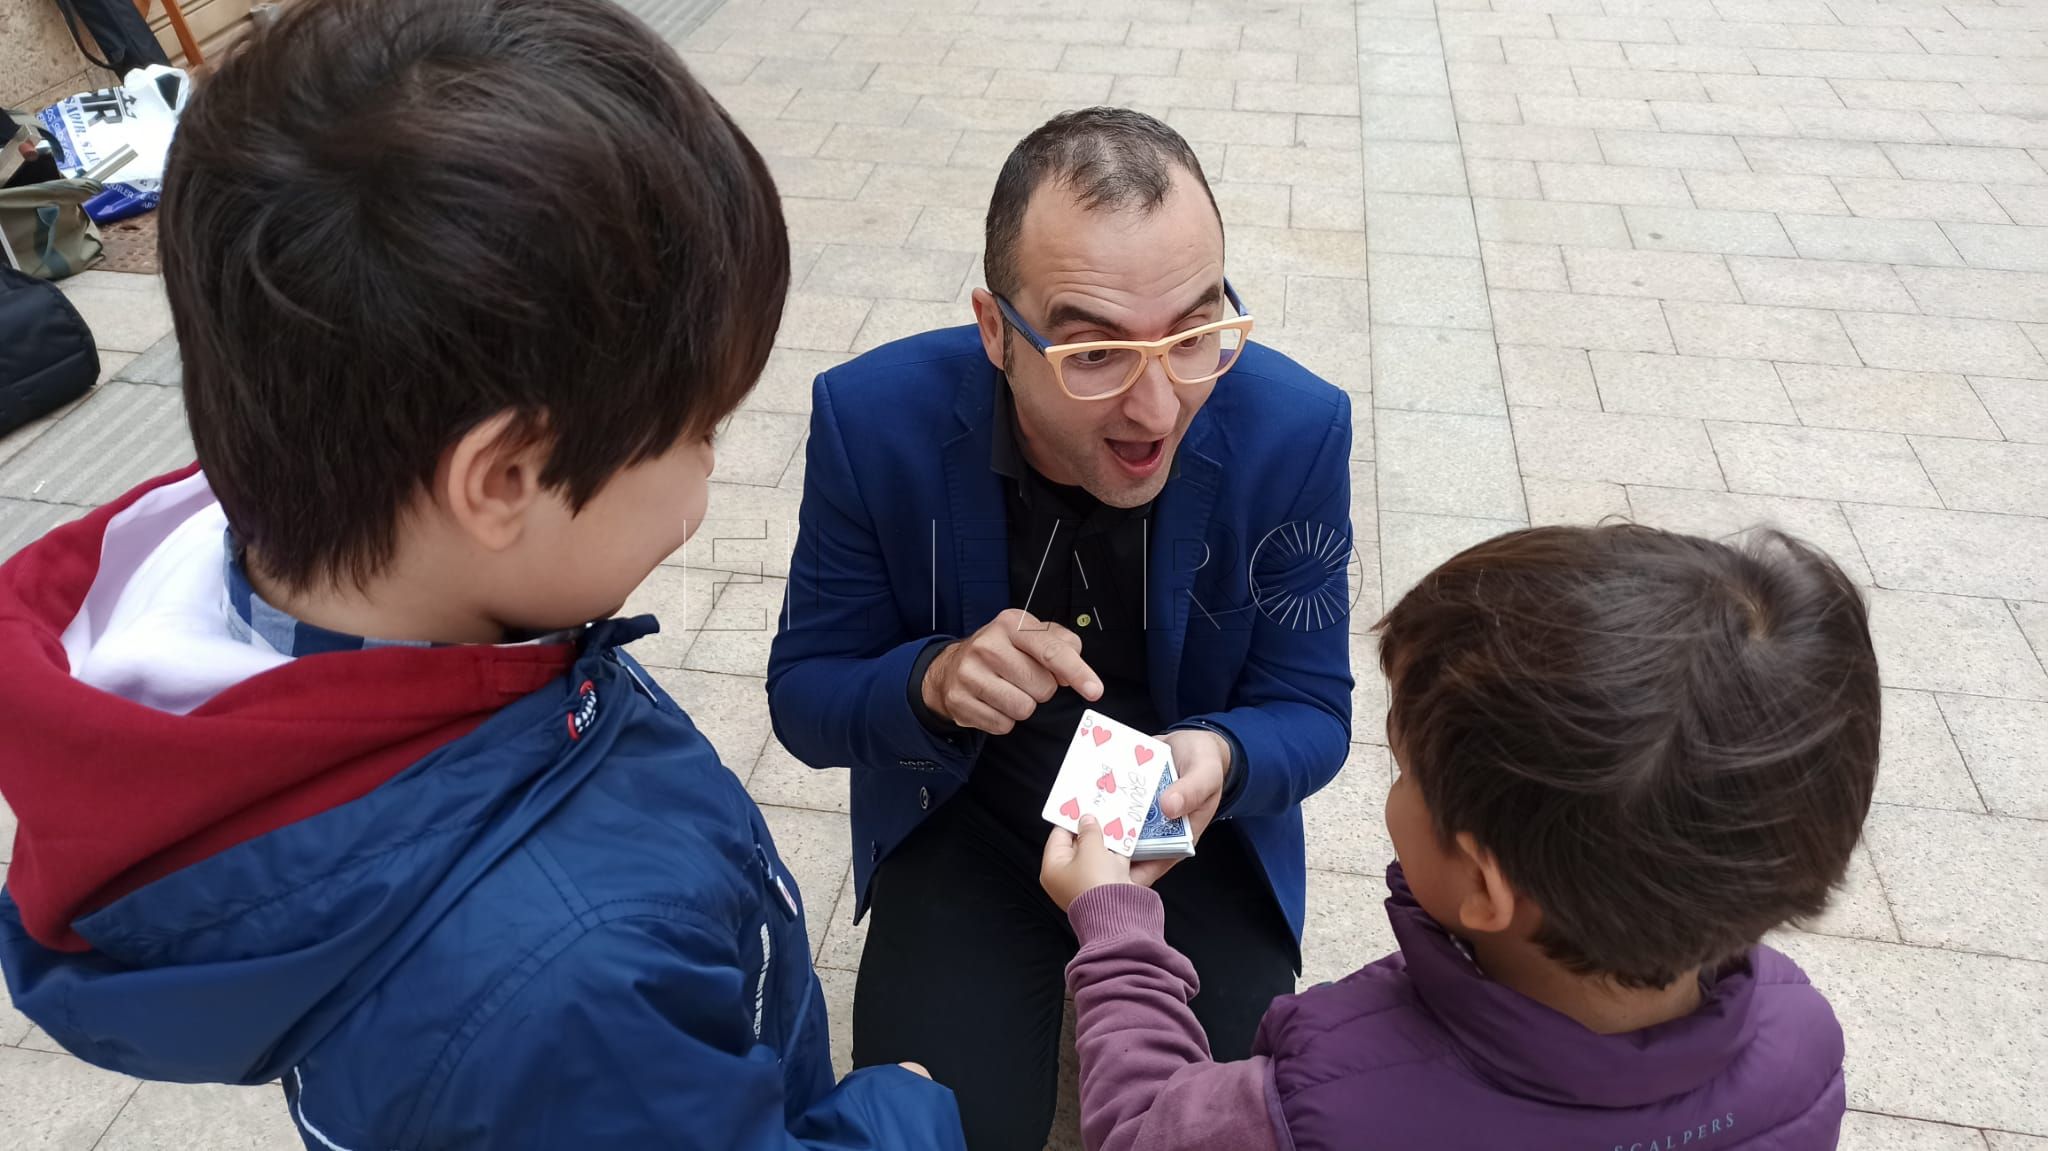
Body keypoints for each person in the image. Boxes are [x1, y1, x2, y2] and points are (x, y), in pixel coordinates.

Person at [0, 0, 966, 1146]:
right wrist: (899, 1110)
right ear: (504, 478)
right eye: (700, 424)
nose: (716, 454)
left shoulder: (312, 536)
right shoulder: (566, 986)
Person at [766, 107, 1354, 1150]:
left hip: (1188, 836)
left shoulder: (1291, 426)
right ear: (996, 330)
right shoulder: (875, 419)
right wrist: (931, 682)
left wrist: (1219, 752)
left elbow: (1309, 709)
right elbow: (806, 695)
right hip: (969, 818)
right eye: (1091, 352)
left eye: (1193, 332)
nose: (1157, 405)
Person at [1039, 524, 1879, 1151]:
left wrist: (1117, 932)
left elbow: (1143, 1131)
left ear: (1484, 885)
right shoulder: (1797, 1038)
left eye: (1404, 772)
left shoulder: (1322, 1104)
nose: (1395, 788)